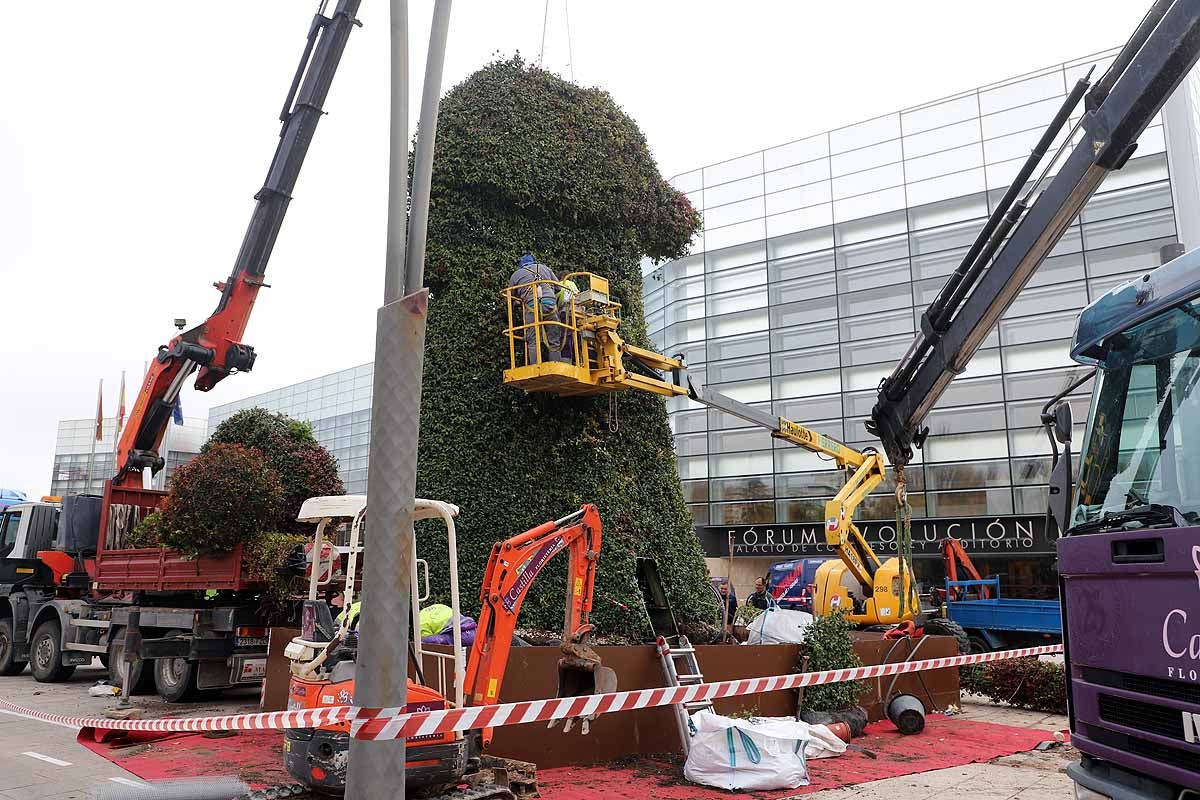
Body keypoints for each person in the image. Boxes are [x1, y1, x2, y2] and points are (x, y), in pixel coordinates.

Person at [508, 253, 560, 365]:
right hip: (549, 304)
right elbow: (559, 287)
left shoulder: (516, 274)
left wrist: (517, 301)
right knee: (553, 338)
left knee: (533, 339)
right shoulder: (544, 268)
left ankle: (535, 366)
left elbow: (510, 297)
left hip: (532, 307)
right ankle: (556, 364)